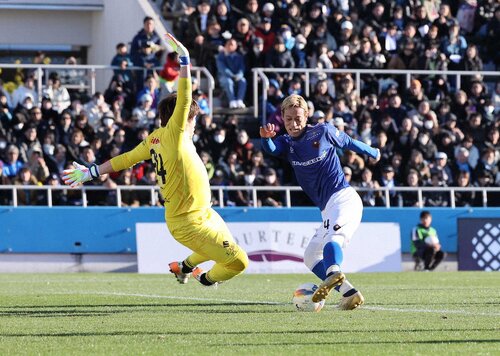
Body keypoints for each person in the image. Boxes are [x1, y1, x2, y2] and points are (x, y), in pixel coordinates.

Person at [62, 33, 248, 287]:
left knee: (218, 248)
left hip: (202, 214)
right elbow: (184, 98)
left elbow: (124, 159)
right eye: (192, 117)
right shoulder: (175, 133)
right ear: (181, 119)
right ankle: (204, 279)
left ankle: (183, 267)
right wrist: (184, 61)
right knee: (238, 262)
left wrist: (93, 172)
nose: (194, 122)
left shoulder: (155, 139)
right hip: (190, 222)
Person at [260, 94, 381, 310]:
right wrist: (266, 137)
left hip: (344, 199)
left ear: (307, 116)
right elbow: (271, 149)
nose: (293, 124)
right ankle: (349, 292)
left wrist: (373, 152)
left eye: (298, 118)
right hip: (327, 209)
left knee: (332, 241)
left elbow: (349, 142)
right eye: (288, 119)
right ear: (282, 119)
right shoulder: (287, 144)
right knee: (310, 256)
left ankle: (334, 272)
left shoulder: (322, 131)